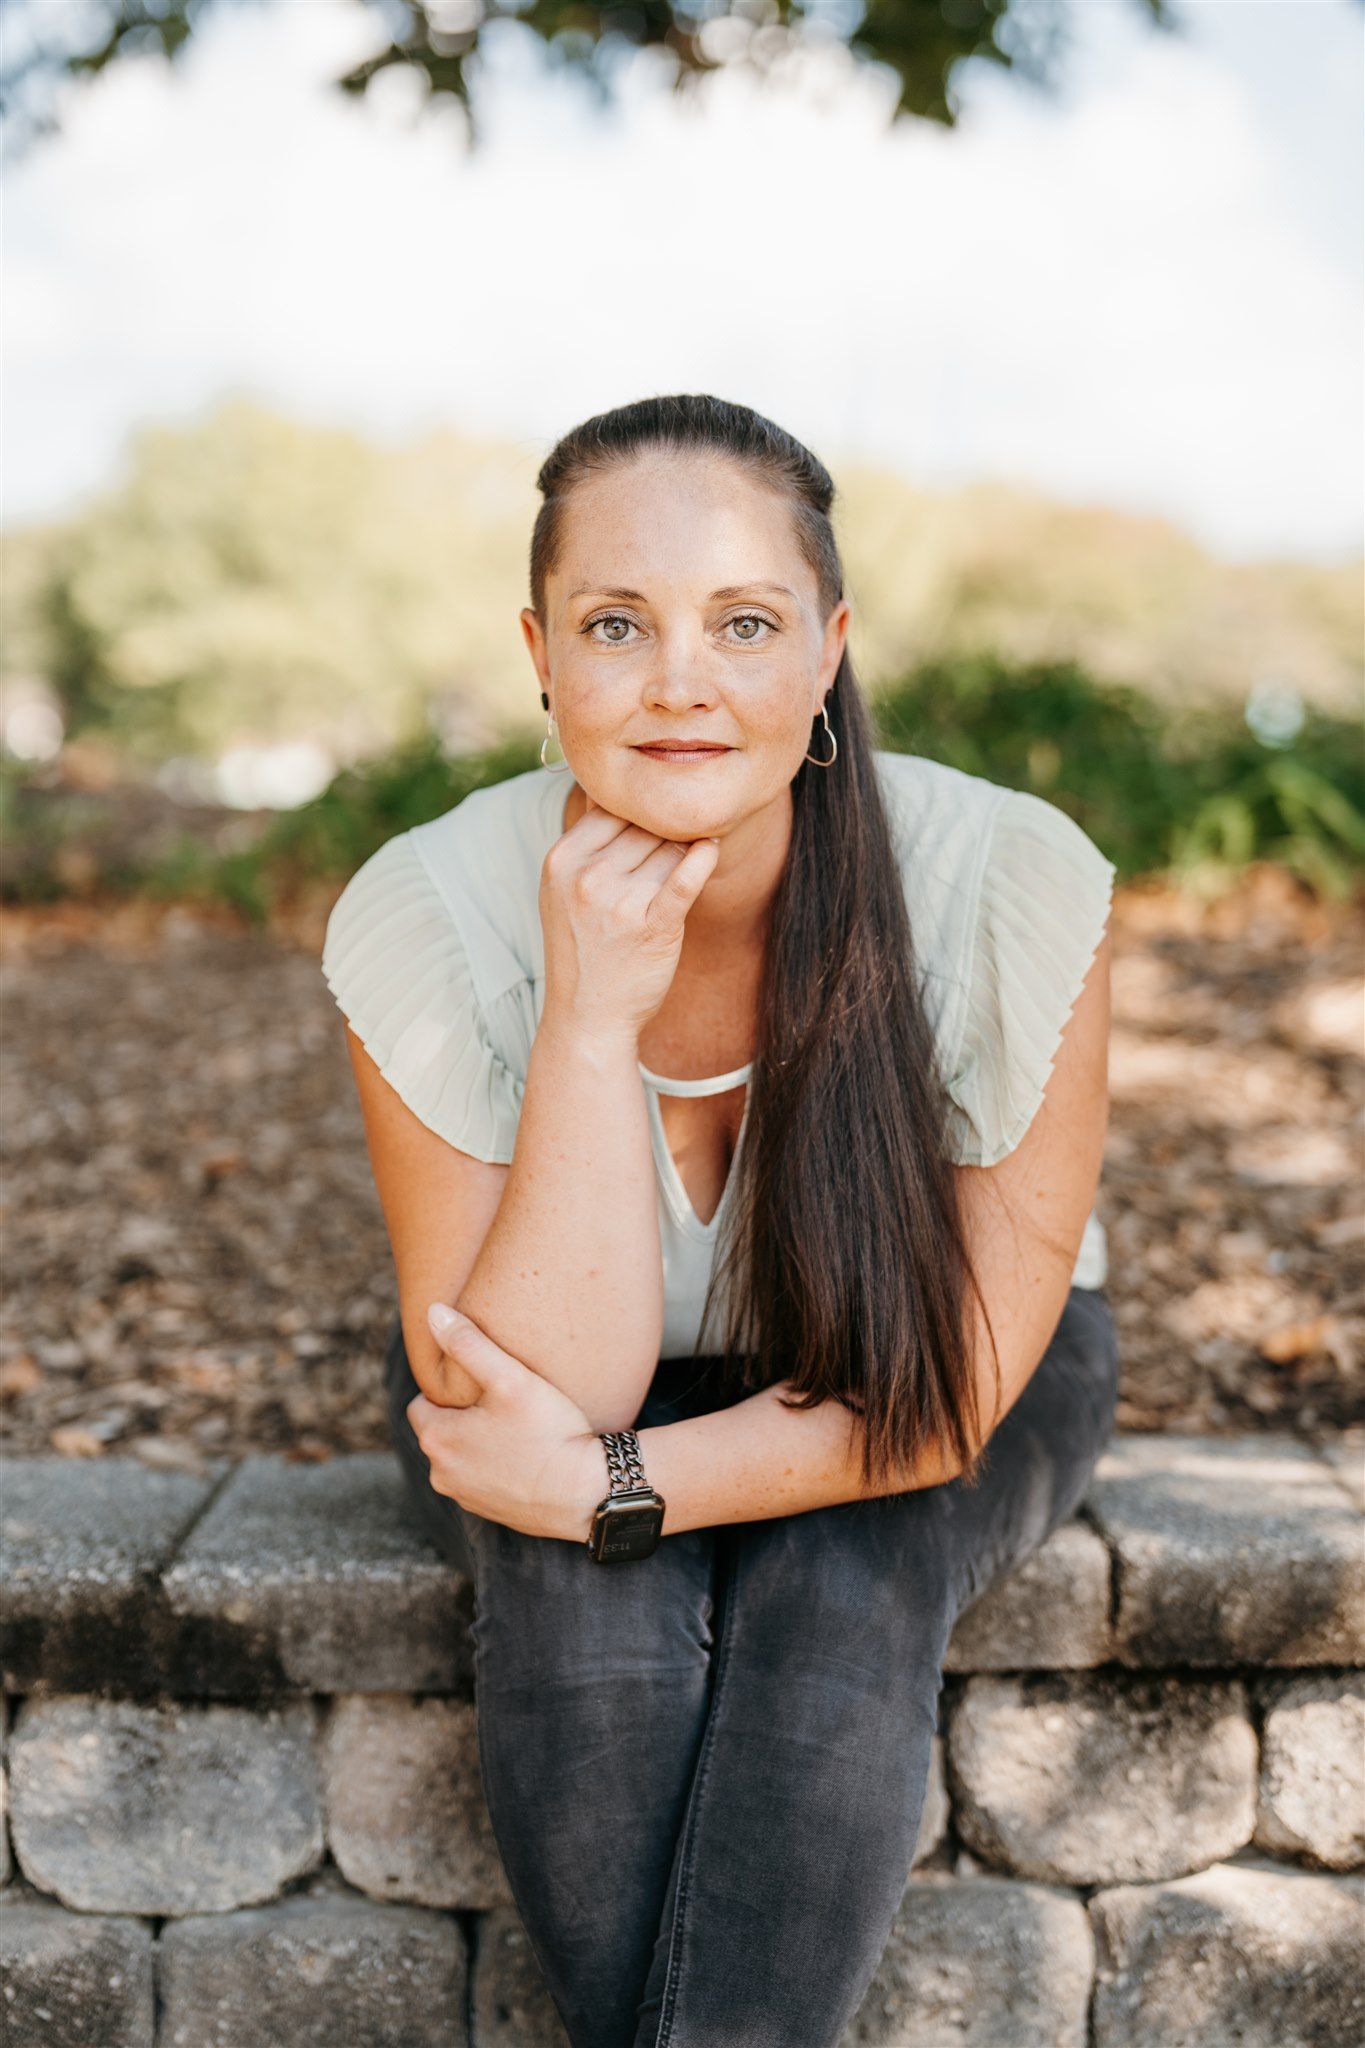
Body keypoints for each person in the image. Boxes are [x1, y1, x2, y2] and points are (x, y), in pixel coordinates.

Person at [320, 393, 1120, 2048]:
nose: (679, 680)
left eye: (741, 623)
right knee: (570, 1586)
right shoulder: (424, 908)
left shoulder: (1002, 876)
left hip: (936, 1368)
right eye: (618, 625)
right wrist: (588, 1021)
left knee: (844, 1571)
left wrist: (610, 1487)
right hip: (537, 1371)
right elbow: (544, 1395)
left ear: (827, 650)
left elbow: (944, 1397)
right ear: (541, 655)